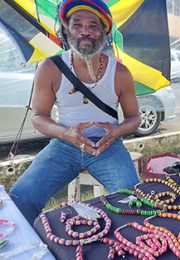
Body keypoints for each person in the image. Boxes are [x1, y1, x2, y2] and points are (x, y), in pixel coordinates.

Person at [10, 0, 140, 224]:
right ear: (67, 30)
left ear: (104, 32)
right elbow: (38, 117)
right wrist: (65, 133)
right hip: (64, 145)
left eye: (93, 26)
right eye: (77, 25)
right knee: (20, 199)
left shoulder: (120, 72)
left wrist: (116, 131)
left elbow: (134, 118)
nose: (85, 32)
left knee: (131, 200)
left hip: (107, 147)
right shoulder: (50, 68)